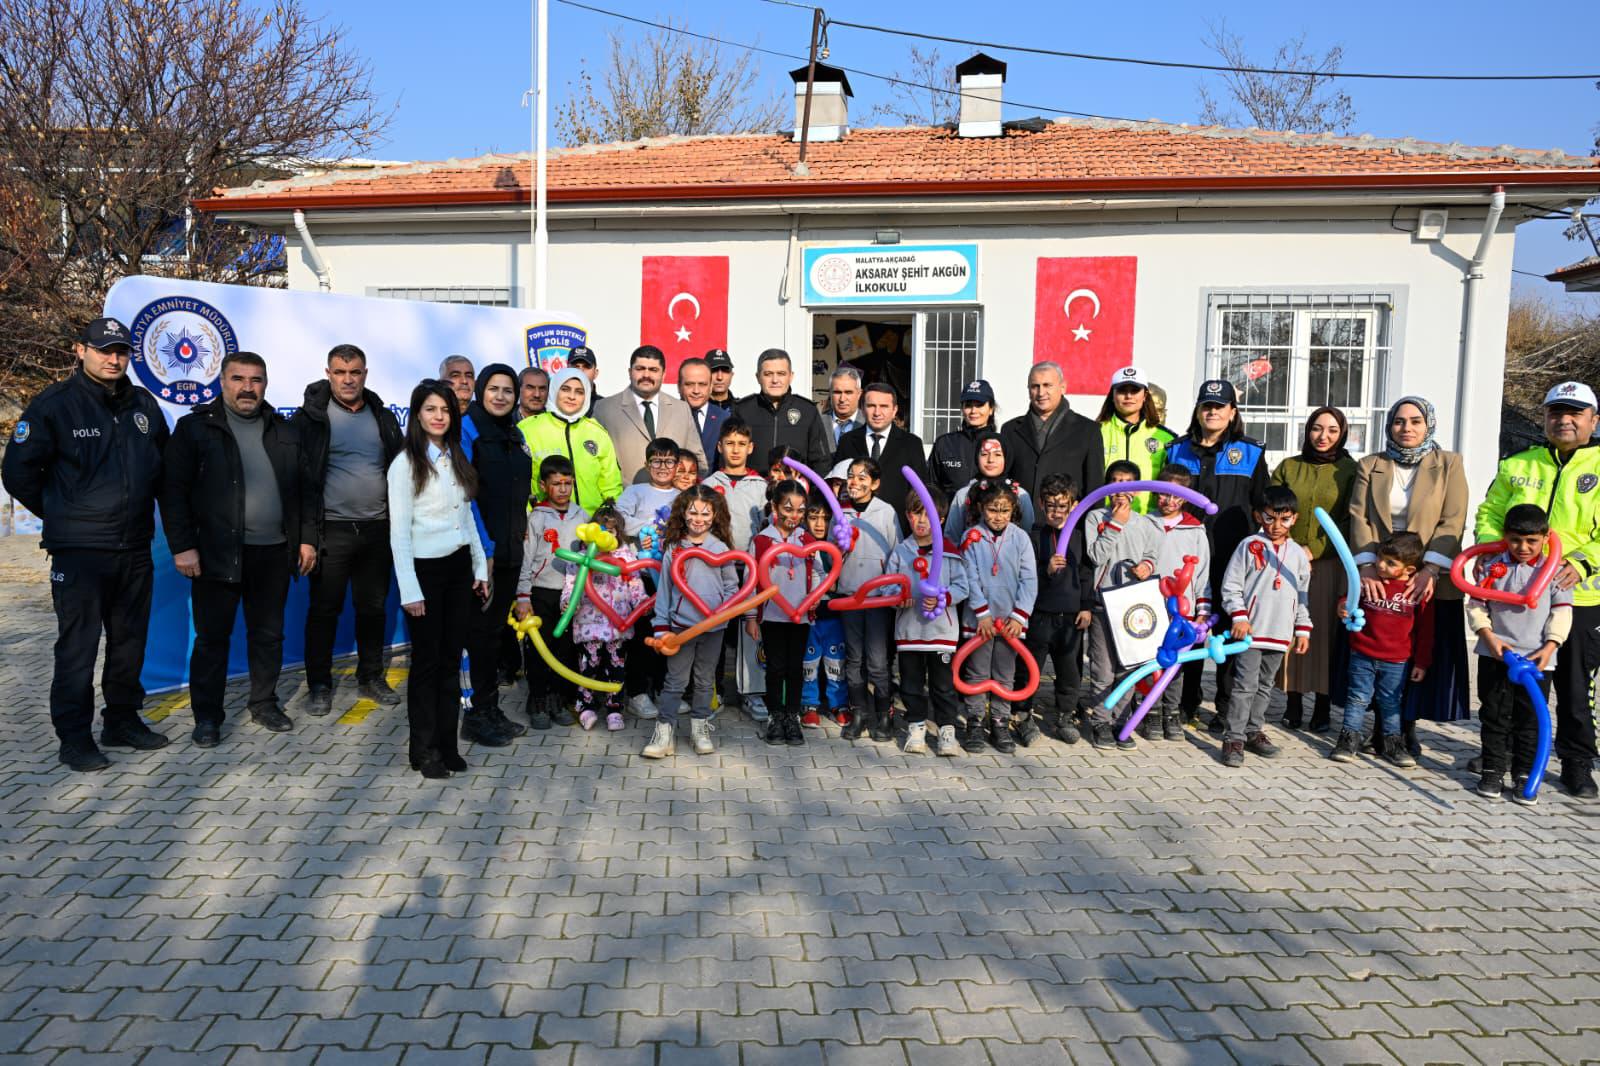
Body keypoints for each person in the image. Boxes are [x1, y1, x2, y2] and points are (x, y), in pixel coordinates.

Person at [2, 317, 170, 771]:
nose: (113, 358)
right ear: (81, 351)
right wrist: (64, 514)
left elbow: (164, 471)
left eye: (121, 351)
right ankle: (74, 738)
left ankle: (121, 720)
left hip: (135, 547)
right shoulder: (55, 405)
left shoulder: (143, 404)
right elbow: (17, 472)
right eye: (103, 350)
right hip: (79, 554)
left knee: (129, 642)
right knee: (78, 649)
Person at [160, 351, 316, 747]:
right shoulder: (195, 429)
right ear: (222, 382)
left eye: (256, 380)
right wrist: (183, 547)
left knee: (269, 636)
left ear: (265, 384)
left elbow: (305, 492)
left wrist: (307, 538)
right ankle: (207, 717)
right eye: (238, 379)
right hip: (216, 554)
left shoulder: (284, 430)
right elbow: (172, 493)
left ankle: (264, 703)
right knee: (213, 639)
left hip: (274, 553)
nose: (248, 387)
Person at [1474, 382, 1600, 799]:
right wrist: (1493, 553)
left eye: (1574, 413)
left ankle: (1577, 763)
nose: (1563, 420)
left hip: (1577, 596)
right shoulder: (1518, 463)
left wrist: (1580, 563)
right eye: (1555, 412)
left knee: (1574, 686)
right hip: (1516, 596)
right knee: (1510, 683)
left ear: (1592, 421)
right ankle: (1503, 755)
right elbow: (1491, 512)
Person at [1348, 395, 1469, 758]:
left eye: (1415, 421)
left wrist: (1429, 569)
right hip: (1380, 574)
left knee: (1414, 650)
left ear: (1428, 424)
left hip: (1427, 575)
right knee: (1374, 650)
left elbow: (1453, 519)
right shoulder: (1371, 464)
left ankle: (1405, 728)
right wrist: (1367, 564)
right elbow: (1359, 516)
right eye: (1400, 421)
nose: (1407, 428)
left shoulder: (1448, 463)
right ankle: (1374, 729)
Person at [293, 344, 404, 716]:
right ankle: (319, 686)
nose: (347, 379)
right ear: (328, 374)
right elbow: (299, 481)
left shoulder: (382, 416)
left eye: (354, 372)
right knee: (324, 611)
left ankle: (371, 677)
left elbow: (401, 469)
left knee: (373, 609)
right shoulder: (310, 418)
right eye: (340, 372)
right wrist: (306, 535)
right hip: (332, 533)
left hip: (377, 530)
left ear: (365, 374)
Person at [388, 381, 489, 780]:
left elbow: (466, 520)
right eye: (430, 409)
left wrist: (479, 568)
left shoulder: (457, 458)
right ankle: (423, 750)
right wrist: (410, 590)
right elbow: (399, 533)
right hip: (425, 573)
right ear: (417, 415)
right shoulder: (405, 464)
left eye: (445, 410)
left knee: (451, 662)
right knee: (427, 665)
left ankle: (449, 746)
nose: (438, 416)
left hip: (458, 568)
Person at [1165, 379, 1269, 733]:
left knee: (1228, 628)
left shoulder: (1251, 452)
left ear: (1232, 412)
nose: (1212, 411)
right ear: (1198, 410)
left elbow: (1261, 507)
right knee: (1188, 622)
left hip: (1231, 554)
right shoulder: (1175, 450)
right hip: (1187, 554)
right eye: (1206, 405)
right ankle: (1184, 702)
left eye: (1219, 406)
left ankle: (1226, 708)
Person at [1465, 504, 1572, 802]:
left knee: (1530, 719)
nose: (1523, 548)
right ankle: (1493, 769)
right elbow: (1476, 605)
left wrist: (1550, 646)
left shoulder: (1555, 571)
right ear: (1504, 536)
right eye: (1515, 540)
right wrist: (1489, 637)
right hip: (1495, 655)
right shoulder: (1492, 566)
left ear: (1545, 538)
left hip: (1538, 660)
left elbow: (1563, 613)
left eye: (1531, 541)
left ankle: (1524, 771)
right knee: (1494, 715)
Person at [459, 363, 534, 747]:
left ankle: (489, 708)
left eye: (508, 390)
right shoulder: (467, 429)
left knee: (492, 637)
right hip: (480, 556)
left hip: (508, 552)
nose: (501, 396)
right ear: (481, 391)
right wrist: (483, 551)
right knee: (477, 637)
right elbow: (466, 497)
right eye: (494, 389)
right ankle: (473, 715)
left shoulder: (515, 433)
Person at [1271, 407, 1359, 733]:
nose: (1323, 436)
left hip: (1328, 565)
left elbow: (1351, 519)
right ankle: (1292, 702)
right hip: (1286, 561)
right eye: (1317, 429)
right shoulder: (1288, 467)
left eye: (1332, 430)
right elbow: (1271, 507)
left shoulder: (1351, 470)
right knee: (1290, 628)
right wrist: (1291, 548)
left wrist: (1316, 549)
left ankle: (1322, 706)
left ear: (1342, 433)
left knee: (1321, 634)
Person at [642, 486, 741, 758]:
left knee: (704, 680)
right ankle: (664, 733)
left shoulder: (721, 549)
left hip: (713, 627)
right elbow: (664, 590)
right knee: (674, 681)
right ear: (683, 514)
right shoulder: (674, 549)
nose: (699, 518)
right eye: (693, 512)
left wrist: (723, 611)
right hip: (680, 628)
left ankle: (700, 727)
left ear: (715, 515)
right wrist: (661, 626)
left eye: (705, 513)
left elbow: (733, 588)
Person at [1218, 484, 1311, 768]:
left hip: (1280, 634)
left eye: (1284, 519)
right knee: (1245, 685)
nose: (1276, 525)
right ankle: (1233, 737)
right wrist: (1239, 616)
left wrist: (1302, 628)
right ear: (1259, 516)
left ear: (1294, 518)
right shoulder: (1248, 546)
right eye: (1270, 517)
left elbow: (1303, 593)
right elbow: (1231, 585)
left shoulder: (1298, 554)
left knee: (1265, 685)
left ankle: (1253, 731)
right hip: (1251, 633)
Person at [1331, 532, 1434, 768]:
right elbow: (1349, 599)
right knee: (1357, 698)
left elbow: (1425, 630)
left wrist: (1421, 662)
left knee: (1390, 702)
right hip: (1362, 654)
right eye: (1380, 558)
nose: (1381, 565)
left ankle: (1393, 744)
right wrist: (1343, 607)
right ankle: (1348, 740)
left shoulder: (1414, 592)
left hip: (1397, 661)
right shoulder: (1369, 582)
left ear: (1408, 570)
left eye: (1390, 563)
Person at [1082, 462, 1163, 749]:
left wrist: (1147, 565)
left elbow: (1155, 555)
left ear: (1137, 489)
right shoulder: (1094, 518)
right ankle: (1100, 721)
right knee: (1102, 668)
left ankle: (1120, 719)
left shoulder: (1146, 523)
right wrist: (1115, 524)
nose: (1120, 491)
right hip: (1104, 605)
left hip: (1134, 609)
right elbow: (1095, 555)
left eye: (1127, 483)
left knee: (1129, 666)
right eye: (1114, 483)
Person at [957, 479, 1039, 754]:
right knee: (977, 672)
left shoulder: (1021, 538)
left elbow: (1029, 579)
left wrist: (1018, 616)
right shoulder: (970, 536)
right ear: (982, 508)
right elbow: (969, 577)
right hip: (981, 623)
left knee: (1005, 673)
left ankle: (1001, 722)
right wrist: (982, 614)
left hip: (1010, 625)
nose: (998, 516)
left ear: (1013, 509)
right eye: (993, 509)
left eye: (1004, 510)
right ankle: (975, 722)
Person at [888, 485, 969, 756]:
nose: (921, 521)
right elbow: (887, 586)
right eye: (916, 514)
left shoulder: (950, 552)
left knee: (943, 686)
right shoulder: (901, 552)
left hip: (941, 633)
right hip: (909, 634)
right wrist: (898, 596)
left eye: (928, 515)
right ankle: (916, 727)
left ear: (941, 519)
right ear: (907, 516)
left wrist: (945, 597)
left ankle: (947, 730)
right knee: (911, 684)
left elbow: (962, 587)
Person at [515, 455, 589, 730]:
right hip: (540, 592)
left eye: (567, 483)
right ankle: (538, 700)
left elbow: (588, 556)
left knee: (565, 649)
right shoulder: (536, 518)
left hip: (571, 594)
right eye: (556, 484)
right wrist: (523, 596)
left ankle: (558, 699)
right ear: (544, 486)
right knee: (538, 650)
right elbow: (526, 558)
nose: (563, 489)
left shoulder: (582, 516)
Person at [1018, 474, 1092, 745]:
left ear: (1074, 506)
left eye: (1062, 506)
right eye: (1050, 505)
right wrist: (1045, 570)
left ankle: (1064, 715)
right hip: (1039, 615)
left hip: (1071, 617)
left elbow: (1086, 574)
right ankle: (1022, 714)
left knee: (1069, 670)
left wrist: (1086, 607)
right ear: (1040, 504)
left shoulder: (1080, 537)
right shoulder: (1032, 536)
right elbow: (1023, 576)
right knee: (1029, 668)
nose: (1056, 512)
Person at [560, 503, 647, 733]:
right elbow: (571, 585)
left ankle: (614, 709)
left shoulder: (626, 557)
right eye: (601, 530)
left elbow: (635, 583)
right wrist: (569, 603)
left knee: (616, 669)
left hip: (618, 624)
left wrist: (641, 603)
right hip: (589, 622)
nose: (606, 535)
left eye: (612, 531)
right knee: (588, 667)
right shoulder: (580, 558)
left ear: (618, 533)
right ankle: (585, 707)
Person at [836, 457, 902, 743]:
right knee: (853, 659)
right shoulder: (841, 512)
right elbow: (830, 556)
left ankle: (884, 713)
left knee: (877, 661)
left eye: (863, 477)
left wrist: (892, 591)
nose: (855, 482)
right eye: (851, 476)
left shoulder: (886, 512)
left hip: (877, 599)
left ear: (875, 484)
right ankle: (858, 712)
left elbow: (897, 554)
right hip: (850, 596)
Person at [748, 480, 817, 747]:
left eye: (800, 510)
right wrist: (751, 617)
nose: (794, 516)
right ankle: (776, 716)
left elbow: (821, 574)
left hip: (799, 617)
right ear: (775, 507)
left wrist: (815, 600)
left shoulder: (808, 540)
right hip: (773, 616)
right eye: (788, 509)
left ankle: (792, 716)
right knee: (775, 668)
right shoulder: (762, 541)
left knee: (794, 668)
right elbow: (751, 582)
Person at [1148, 466, 1211, 741]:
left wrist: (1202, 610)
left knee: (1175, 662)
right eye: (1163, 493)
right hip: (1150, 605)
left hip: (1182, 609)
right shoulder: (1144, 523)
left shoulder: (1195, 530)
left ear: (1185, 498)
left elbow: (1202, 575)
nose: (1169, 501)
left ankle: (1171, 712)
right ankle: (1150, 710)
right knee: (1150, 660)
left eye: (1176, 496)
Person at [595, 345, 707, 485]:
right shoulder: (604, 409)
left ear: (663, 374)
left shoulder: (681, 409)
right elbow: (595, 462)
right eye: (640, 369)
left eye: (653, 370)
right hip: (624, 500)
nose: (646, 375)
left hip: (674, 501)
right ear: (630, 372)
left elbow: (697, 460)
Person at [518, 366, 623, 514]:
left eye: (579, 392)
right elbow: (519, 485)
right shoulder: (528, 430)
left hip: (592, 526)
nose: (572, 397)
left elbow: (611, 485)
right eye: (565, 389)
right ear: (554, 390)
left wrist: (609, 517)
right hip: (547, 526)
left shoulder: (596, 432)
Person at [999, 361, 1104, 507]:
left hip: (1068, 524)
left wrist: (1091, 525)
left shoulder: (1088, 430)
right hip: (1021, 522)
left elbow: (1095, 488)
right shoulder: (1010, 430)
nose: (1041, 393)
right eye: (1035, 386)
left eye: (1047, 385)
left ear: (1063, 387)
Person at [834, 382, 931, 516]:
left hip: (897, 528)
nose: (877, 412)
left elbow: (919, 491)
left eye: (884, 406)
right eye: (871, 406)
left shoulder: (911, 444)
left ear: (894, 410)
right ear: (862, 408)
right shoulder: (847, 441)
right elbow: (838, 485)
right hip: (854, 527)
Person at [733, 349, 832, 472]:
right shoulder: (743, 410)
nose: (775, 380)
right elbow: (729, 457)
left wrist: (810, 490)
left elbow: (821, 461)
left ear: (791, 376)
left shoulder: (808, 411)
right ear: (758, 377)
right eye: (768, 374)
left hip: (795, 489)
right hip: (751, 489)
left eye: (781, 374)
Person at [1096, 367, 1174, 511]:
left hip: (1148, 522)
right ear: (1112, 396)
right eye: (1122, 391)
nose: (1128, 396)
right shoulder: (1095, 432)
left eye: (1134, 391)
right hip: (1103, 519)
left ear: (1145, 396)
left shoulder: (1166, 438)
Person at [944, 432, 1035, 543]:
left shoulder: (1020, 494)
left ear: (1007, 457)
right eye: (984, 454)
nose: (990, 460)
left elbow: (1028, 535)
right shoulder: (964, 495)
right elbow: (951, 538)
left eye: (997, 454)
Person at [704, 420, 768, 554]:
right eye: (730, 443)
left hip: (751, 562)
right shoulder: (708, 485)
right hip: (715, 559)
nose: (735, 450)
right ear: (720, 447)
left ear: (750, 448)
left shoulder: (761, 486)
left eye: (742, 444)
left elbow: (766, 526)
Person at [930, 379, 998, 497]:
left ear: (991, 409)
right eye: (968, 405)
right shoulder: (944, 443)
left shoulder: (1001, 444)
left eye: (979, 405)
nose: (973, 411)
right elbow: (932, 487)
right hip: (949, 514)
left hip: (988, 514)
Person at [617, 438, 683, 541]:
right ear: (647, 465)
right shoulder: (634, 491)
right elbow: (618, 517)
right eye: (656, 461)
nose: (662, 467)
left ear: (678, 467)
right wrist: (650, 528)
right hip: (637, 555)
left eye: (669, 462)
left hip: (671, 555)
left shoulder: (683, 497)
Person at [678, 356, 727, 463]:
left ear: (710, 387)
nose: (696, 391)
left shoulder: (724, 418)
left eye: (702, 384)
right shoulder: (666, 416)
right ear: (679, 386)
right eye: (689, 384)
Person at [826, 365, 866, 447]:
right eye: (837, 392)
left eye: (848, 392)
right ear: (830, 393)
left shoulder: (869, 423)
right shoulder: (817, 423)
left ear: (859, 394)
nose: (842, 399)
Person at [569, 346, 601, 415]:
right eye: (576, 366)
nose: (580, 371)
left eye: (587, 366)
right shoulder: (553, 405)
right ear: (566, 371)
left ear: (596, 373)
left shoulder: (605, 406)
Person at [706, 348, 737, 412]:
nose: (719, 377)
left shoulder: (743, 408)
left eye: (725, 370)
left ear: (732, 375)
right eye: (713, 370)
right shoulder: (690, 408)